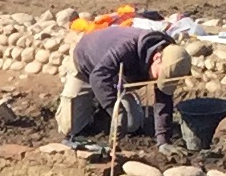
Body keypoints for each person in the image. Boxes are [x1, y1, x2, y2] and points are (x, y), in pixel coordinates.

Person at [59, 13, 194, 145]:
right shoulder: (126, 48)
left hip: (114, 76)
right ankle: (96, 104)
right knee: (70, 127)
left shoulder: (170, 56)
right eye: (160, 76)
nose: (159, 80)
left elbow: (163, 98)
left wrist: (163, 141)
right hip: (86, 66)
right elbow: (97, 77)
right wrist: (116, 110)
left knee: (131, 124)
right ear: (157, 57)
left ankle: (103, 108)